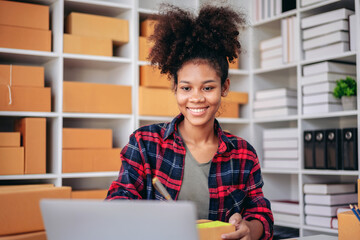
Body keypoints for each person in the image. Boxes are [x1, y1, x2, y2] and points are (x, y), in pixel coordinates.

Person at [106, 3, 273, 240]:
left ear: (224, 87)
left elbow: (260, 213)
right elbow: (117, 199)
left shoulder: (244, 154)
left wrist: (250, 229)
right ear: (175, 88)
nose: (196, 98)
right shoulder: (145, 143)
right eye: (186, 87)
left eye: (208, 87)